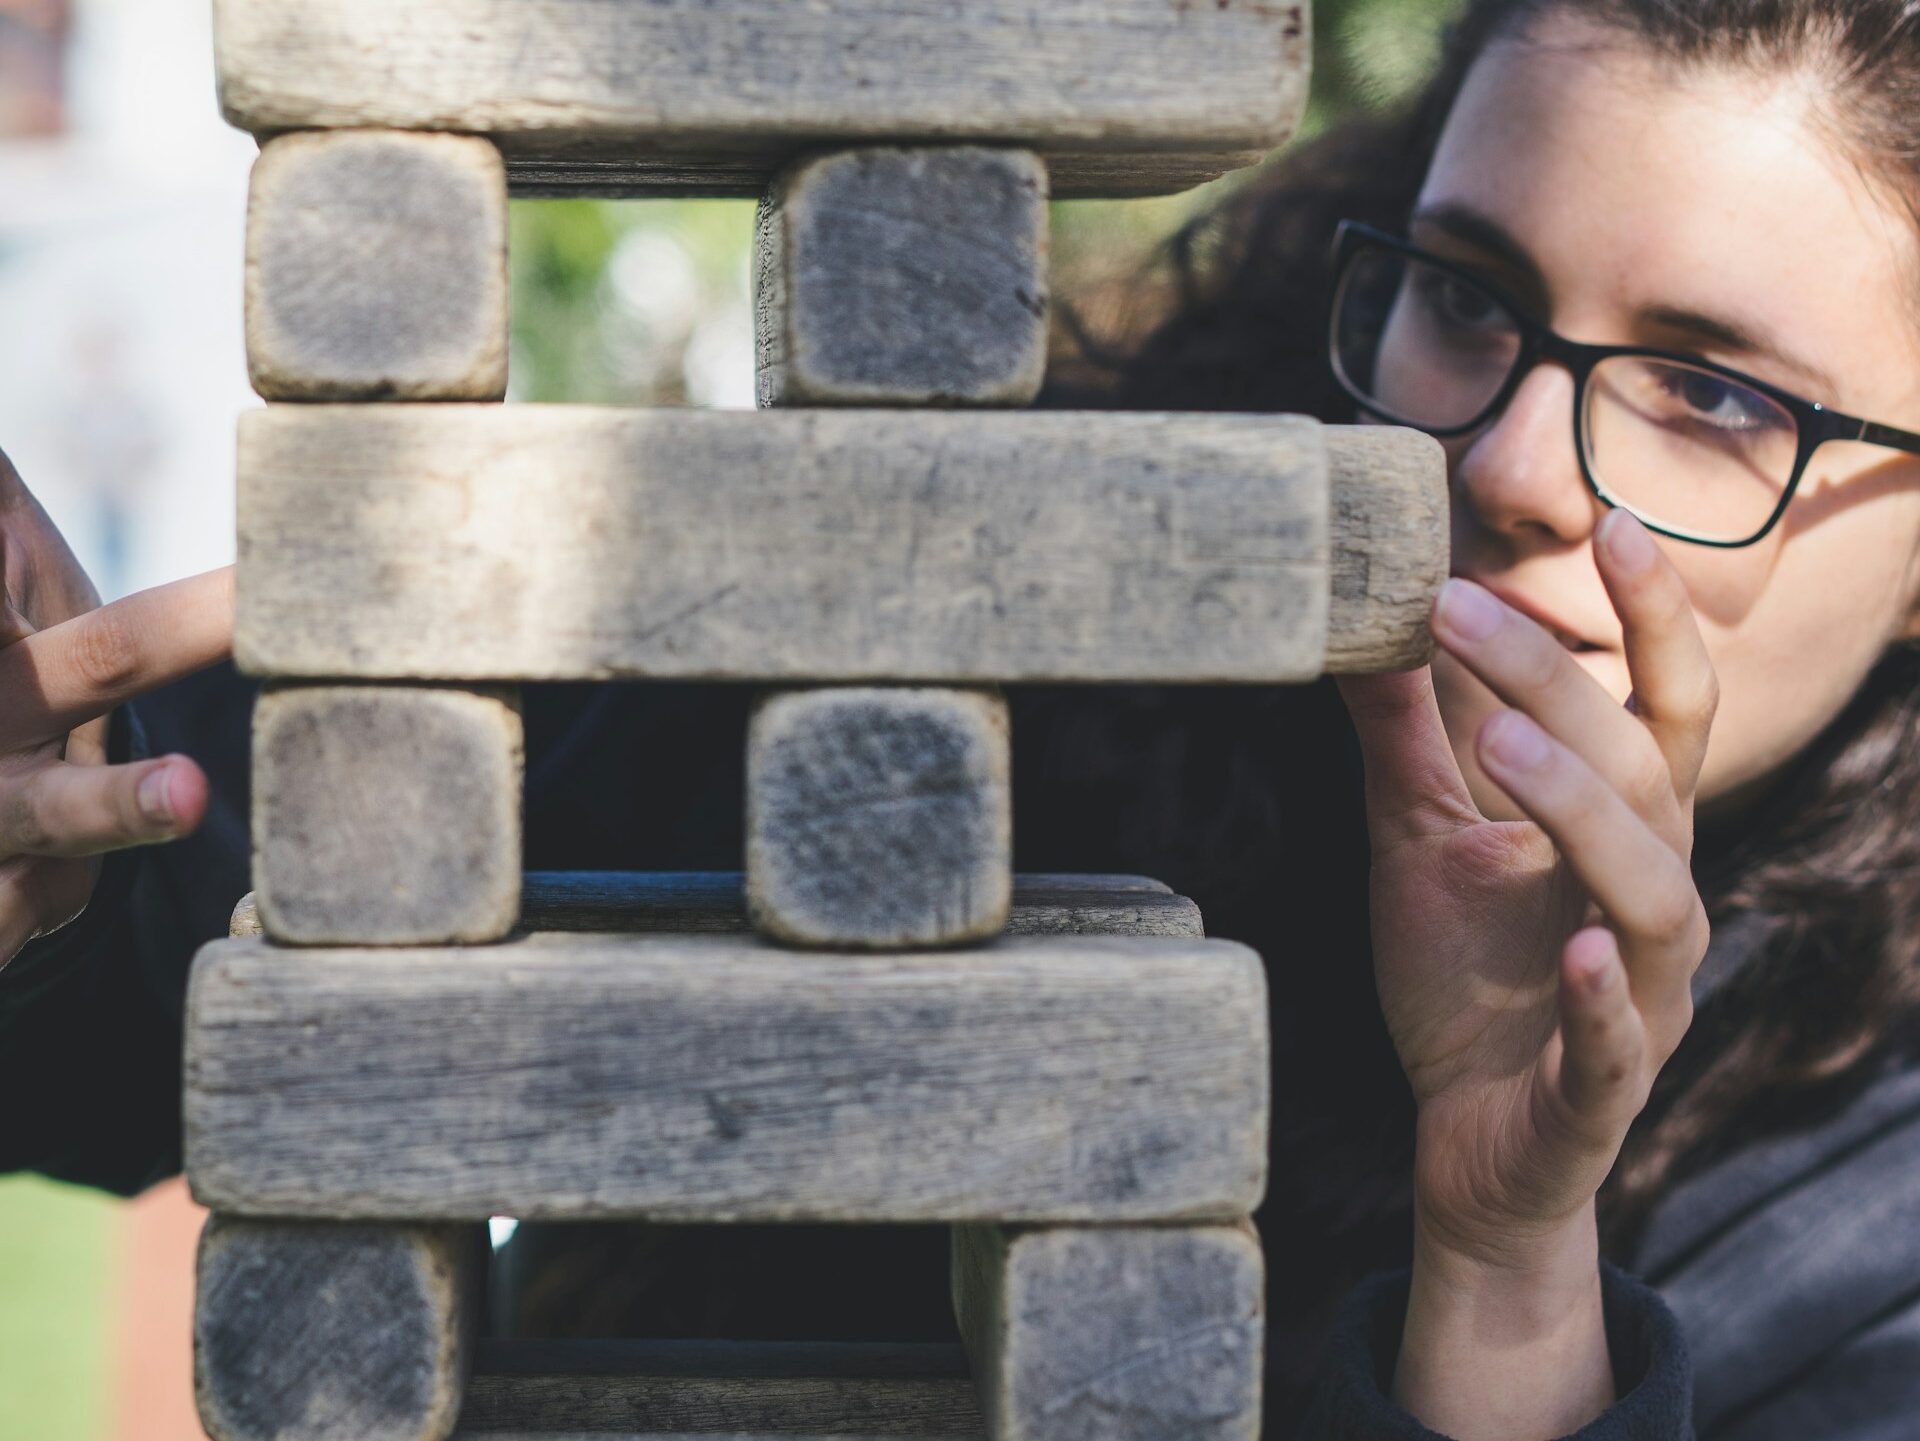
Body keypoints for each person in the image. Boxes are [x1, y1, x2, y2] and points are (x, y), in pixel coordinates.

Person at [4, 0, 1920, 1435]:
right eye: (1467, 296)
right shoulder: (976, 612)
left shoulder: (1877, 1219)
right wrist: (43, 845)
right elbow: (169, 983)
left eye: (1715, 394)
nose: (1506, 457)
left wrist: (1506, 1263)